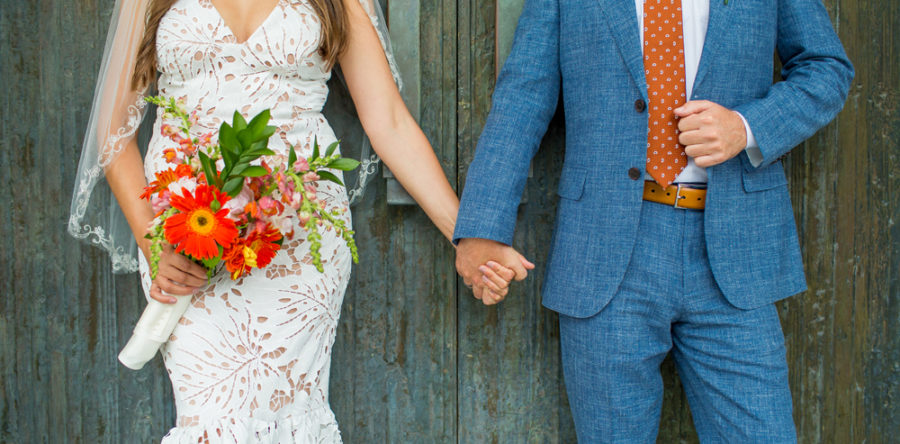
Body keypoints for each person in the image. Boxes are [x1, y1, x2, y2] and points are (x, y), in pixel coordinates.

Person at [68, 0, 529, 441]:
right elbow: (115, 128)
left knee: (291, 416)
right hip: (184, 233)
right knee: (210, 419)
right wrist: (153, 239)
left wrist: (465, 238)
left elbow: (388, 121)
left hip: (298, 235)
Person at [454, 0, 853, 441]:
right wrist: (481, 229)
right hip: (606, 255)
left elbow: (826, 67)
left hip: (736, 252)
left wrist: (746, 126)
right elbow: (523, 95)